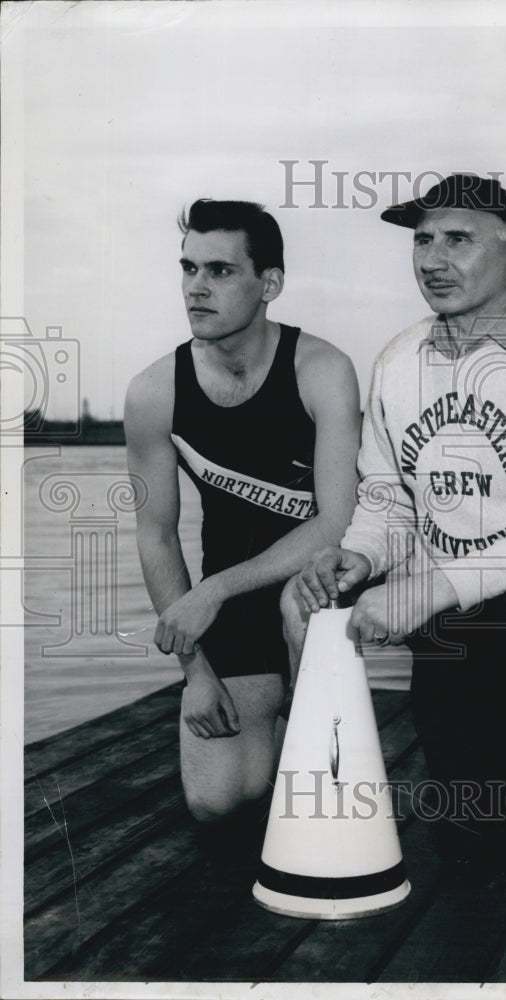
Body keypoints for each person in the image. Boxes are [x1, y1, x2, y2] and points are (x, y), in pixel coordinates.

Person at [294, 174, 506, 957]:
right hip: (450, 595)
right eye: (421, 239)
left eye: (459, 238)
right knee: (476, 834)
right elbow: (387, 499)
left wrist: (432, 589)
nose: (431, 258)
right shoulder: (398, 361)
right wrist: (355, 557)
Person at [125, 199, 361, 829]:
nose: (197, 288)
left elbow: (336, 521)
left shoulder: (321, 369)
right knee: (218, 800)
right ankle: (284, 727)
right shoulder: (155, 392)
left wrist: (215, 591)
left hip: (321, 585)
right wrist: (194, 668)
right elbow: (156, 536)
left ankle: (307, 723)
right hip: (232, 603)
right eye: (189, 269)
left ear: (270, 284)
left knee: (303, 610)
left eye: (221, 271)